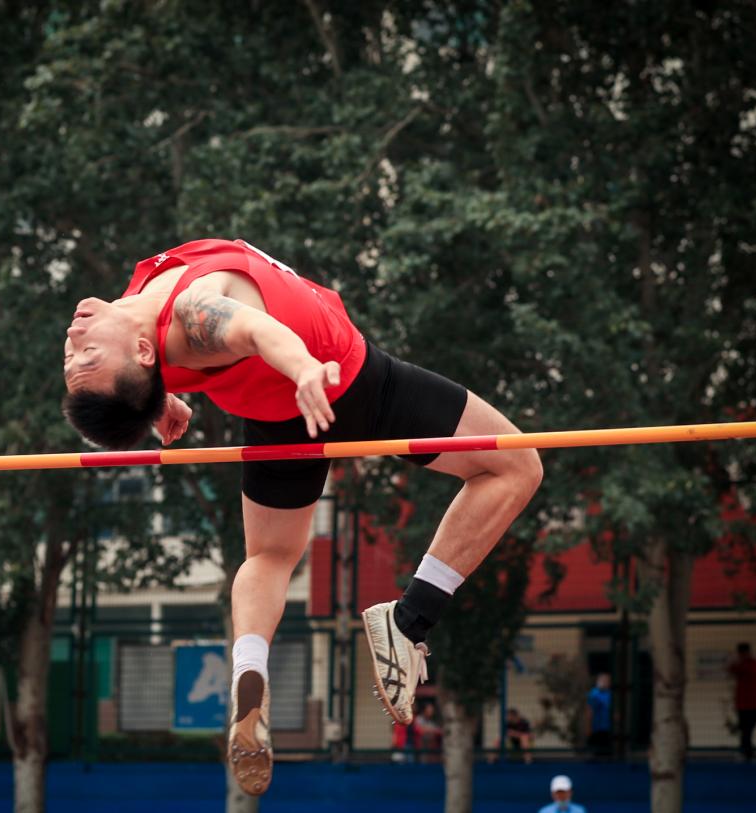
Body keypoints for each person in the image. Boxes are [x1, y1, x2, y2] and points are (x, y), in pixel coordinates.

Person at [60, 238, 542, 795]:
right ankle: (411, 619)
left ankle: (249, 667)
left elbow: (146, 373)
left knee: (269, 555)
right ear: (144, 353)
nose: (73, 342)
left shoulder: (139, 319)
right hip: (347, 383)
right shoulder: (193, 313)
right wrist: (305, 369)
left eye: (76, 359)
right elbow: (255, 331)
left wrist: (155, 400)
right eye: (85, 356)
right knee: (515, 466)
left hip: (276, 417)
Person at [728, 642, 756, 761]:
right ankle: (747, 752)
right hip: (743, 704)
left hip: (752, 704)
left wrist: (735, 661)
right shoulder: (747, 664)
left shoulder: (752, 665)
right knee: (745, 730)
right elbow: (731, 669)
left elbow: (734, 668)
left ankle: (747, 752)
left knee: (747, 730)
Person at [586, 673, 612, 758]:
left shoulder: (610, 693)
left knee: (607, 753)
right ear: (598, 681)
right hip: (597, 727)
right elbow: (590, 710)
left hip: (608, 728)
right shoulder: (594, 694)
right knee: (597, 752)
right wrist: (589, 726)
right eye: (602, 680)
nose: (604, 682)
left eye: (607, 681)